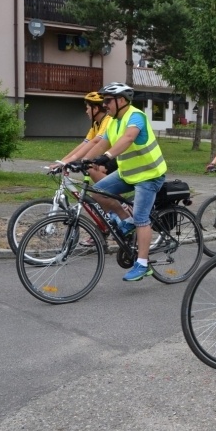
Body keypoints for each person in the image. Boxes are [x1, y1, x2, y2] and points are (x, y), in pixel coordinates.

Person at [85, 82, 168, 282]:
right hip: (128, 173)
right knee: (97, 192)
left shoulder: (135, 116)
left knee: (141, 217)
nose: (105, 105)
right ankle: (125, 221)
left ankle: (142, 264)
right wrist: (82, 162)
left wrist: (107, 156)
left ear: (121, 100)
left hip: (149, 175)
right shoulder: (113, 121)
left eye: (108, 101)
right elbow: (101, 142)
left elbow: (129, 138)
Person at [50, 92, 115, 183]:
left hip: (116, 156)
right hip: (106, 156)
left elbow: (96, 142)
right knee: (90, 168)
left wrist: (70, 161)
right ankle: (105, 195)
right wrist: (62, 162)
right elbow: (85, 143)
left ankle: (110, 196)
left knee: (94, 168)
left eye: (88, 108)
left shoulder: (108, 120)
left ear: (95, 109)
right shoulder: (96, 124)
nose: (86, 111)